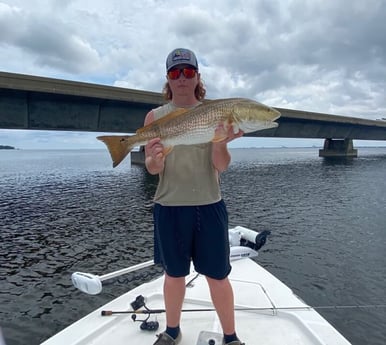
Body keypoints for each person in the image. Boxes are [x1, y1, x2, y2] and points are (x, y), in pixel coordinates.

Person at [144, 48, 244, 345]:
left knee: (217, 275)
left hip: (209, 205)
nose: (182, 78)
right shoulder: (155, 116)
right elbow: (152, 168)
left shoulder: (216, 113)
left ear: (198, 76)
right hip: (169, 205)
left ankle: (231, 336)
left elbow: (221, 165)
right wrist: (156, 161)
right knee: (174, 275)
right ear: (168, 79)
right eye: (176, 73)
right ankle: (172, 331)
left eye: (188, 72)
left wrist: (221, 142)